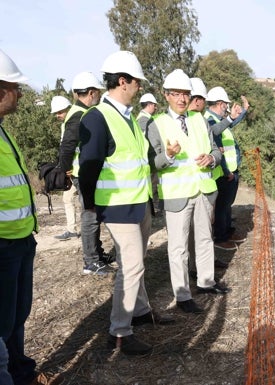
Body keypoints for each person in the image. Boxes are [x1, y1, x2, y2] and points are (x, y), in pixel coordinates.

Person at [79, 50, 174, 356]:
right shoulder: (97, 117)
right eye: (136, 82)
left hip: (139, 203)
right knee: (131, 267)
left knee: (137, 264)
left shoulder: (128, 117)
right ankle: (119, 332)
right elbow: (89, 166)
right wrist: (92, 204)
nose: (139, 87)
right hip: (119, 207)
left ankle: (142, 311)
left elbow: (138, 161)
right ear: (123, 81)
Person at [0, 48, 61, 385]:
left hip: (21, 239)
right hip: (3, 245)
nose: (20, 93)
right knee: (3, 321)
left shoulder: (3, 129)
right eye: (15, 87)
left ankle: (20, 370)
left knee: (17, 314)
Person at [146, 69, 230, 315]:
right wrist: (169, 155)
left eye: (185, 94)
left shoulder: (199, 119)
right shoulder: (156, 124)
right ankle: (182, 295)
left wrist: (212, 159)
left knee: (204, 239)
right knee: (179, 247)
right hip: (177, 195)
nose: (182, 99)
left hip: (203, 190)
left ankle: (206, 282)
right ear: (166, 95)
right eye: (176, 94)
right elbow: (153, 163)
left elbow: (215, 150)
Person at [57, 72, 115, 275]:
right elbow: (67, 147)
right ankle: (91, 261)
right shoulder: (80, 115)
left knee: (95, 215)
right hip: (82, 174)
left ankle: (97, 253)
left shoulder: (77, 112)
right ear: (91, 93)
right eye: (97, 92)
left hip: (83, 172)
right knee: (90, 216)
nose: (99, 96)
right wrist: (64, 172)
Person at [205, 86, 248, 251]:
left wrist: (243, 111)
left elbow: (231, 122)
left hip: (229, 170)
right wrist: (226, 171)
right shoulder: (209, 120)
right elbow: (218, 149)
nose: (227, 108)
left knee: (227, 204)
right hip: (223, 172)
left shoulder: (217, 119)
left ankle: (227, 232)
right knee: (222, 206)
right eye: (226, 104)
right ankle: (220, 237)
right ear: (220, 103)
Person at [50, 96, 79, 241]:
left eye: (60, 112)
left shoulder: (74, 121)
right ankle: (71, 229)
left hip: (78, 170)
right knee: (67, 198)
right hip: (71, 170)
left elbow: (70, 148)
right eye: (56, 113)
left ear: (67, 109)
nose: (57, 116)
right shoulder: (65, 125)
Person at [136, 93, 160, 212]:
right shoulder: (143, 120)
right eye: (154, 105)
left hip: (151, 157)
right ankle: (154, 208)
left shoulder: (146, 119)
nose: (155, 108)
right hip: (150, 158)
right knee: (153, 185)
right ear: (149, 105)